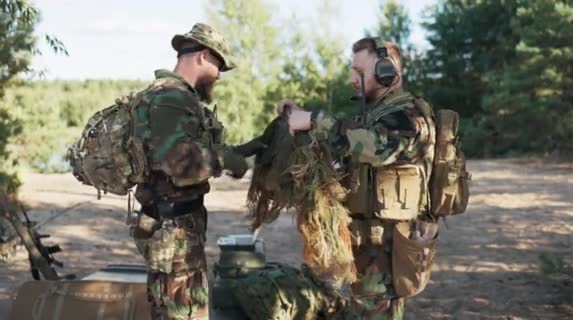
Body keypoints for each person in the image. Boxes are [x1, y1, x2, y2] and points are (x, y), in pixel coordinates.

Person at [277, 37, 438, 319]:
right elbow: (349, 141)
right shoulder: (378, 115)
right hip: (369, 242)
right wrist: (301, 117)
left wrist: (315, 119)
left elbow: (375, 148)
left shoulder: (408, 115)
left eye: (360, 72)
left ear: (387, 71)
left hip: (386, 246)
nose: (353, 79)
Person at [129, 23, 256, 320]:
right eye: (219, 65)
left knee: (172, 308)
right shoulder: (171, 98)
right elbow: (179, 162)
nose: (220, 75)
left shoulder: (175, 97)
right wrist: (227, 161)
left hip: (172, 222)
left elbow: (187, 150)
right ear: (202, 56)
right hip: (172, 227)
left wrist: (248, 150)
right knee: (184, 312)